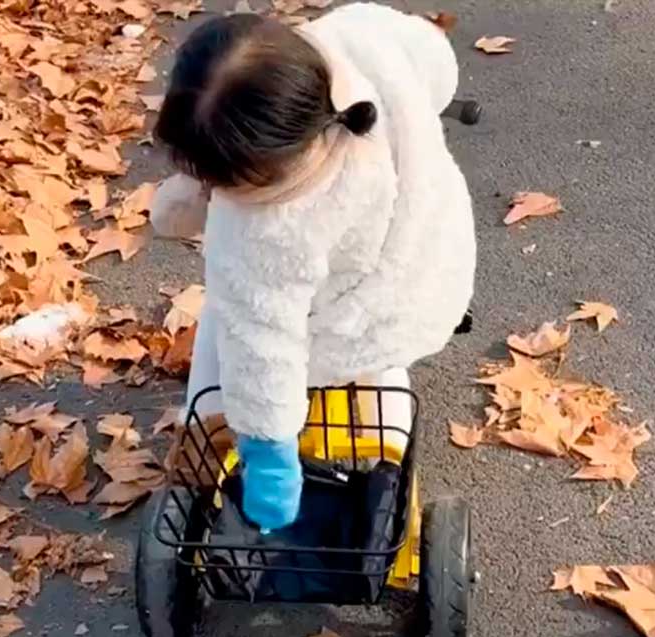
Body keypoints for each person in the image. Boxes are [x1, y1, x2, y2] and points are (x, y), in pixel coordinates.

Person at [150, 3, 475, 532]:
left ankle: (199, 473)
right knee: (385, 368)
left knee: (225, 337)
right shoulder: (357, 43)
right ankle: (386, 478)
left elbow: (261, 342)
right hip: (421, 277)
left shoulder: (266, 229)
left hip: (331, 321)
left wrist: (270, 454)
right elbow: (432, 59)